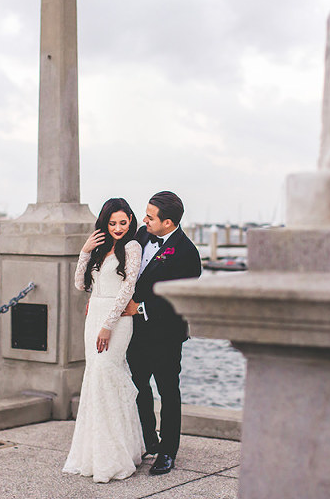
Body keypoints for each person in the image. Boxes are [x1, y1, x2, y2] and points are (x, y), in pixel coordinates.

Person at [62, 198, 145, 483]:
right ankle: (97, 452)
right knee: (95, 380)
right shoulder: (99, 248)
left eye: (123, 222)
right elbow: (81, 285)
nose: (118, 228)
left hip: (117, 320)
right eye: (112, 223)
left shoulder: (133, 247)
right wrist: (85, 252)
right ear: (104, 223)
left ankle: (117, 454)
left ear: (131, 221)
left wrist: (108, 325)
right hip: (93, 314)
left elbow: (127, 288)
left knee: (107, 374)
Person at [122, 191, 202, 475]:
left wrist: (141, 307)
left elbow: (182, 298)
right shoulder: (142, 235)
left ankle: (168, 451)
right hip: (136, 333)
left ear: (168, 223)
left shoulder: (187, 253)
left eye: (150, 216)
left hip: (166, 335)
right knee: (137, 385)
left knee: (168, 392)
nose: (144, 220)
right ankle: (148, 439)